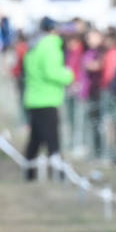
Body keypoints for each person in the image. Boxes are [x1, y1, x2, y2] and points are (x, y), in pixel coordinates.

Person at [21, 17, 74, 180]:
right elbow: (52, 72)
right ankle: (58, 174)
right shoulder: (51, 46)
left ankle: (29, 173)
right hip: (47, 99)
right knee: (52, 140)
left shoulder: (33, 46)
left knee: (35, 140)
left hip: (34, 98)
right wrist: (69, 75)